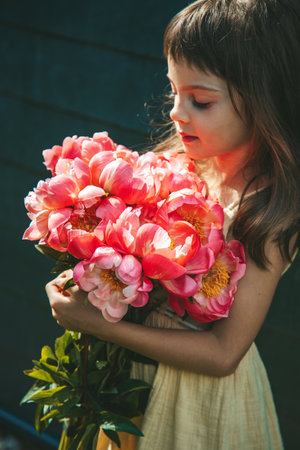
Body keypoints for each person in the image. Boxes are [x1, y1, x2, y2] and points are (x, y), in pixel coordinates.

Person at [46, 1, 300, 449]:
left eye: (200, 100)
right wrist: (92, 276)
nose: (177, 112)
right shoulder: (176, 167)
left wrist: (102, 325)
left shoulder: (268, 210)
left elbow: (224, 354)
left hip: (200, 401)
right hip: (129, 381)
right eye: (174, 91)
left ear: (265, 98)